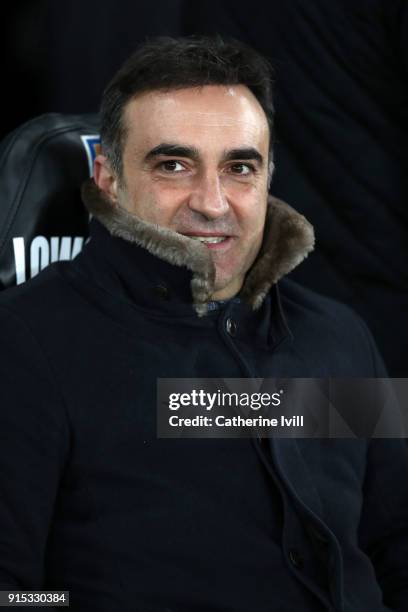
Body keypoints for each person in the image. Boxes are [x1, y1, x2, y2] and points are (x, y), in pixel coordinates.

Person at [0, 35, 407, 612]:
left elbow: (397, 542)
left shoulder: (339, 336)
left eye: (240, 167)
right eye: (174, 165)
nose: (213, 203)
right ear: (107, 175)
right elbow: (14, 592)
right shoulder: (25, 345)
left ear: (268, 177)